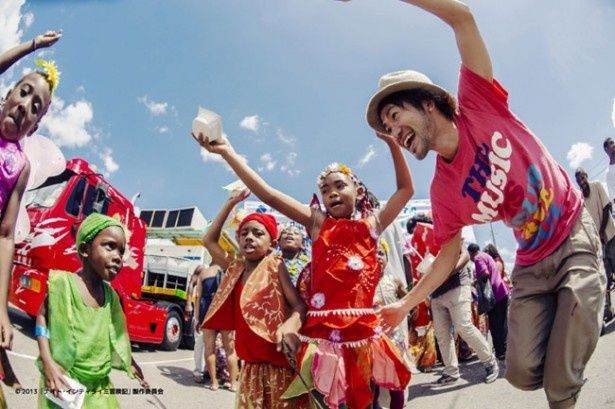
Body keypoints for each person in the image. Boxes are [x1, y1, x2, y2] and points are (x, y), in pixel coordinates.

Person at [365, 1, 605, 407]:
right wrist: (406, 303)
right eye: (387, 130)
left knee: (560, 382)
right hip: (531, 261)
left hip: (570, 230)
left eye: (394, 116)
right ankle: (570, 345)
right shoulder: (443, 191)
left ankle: (574, 347)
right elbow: (448, 252)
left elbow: (462, 17)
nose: (394, 132)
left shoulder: (478, 101)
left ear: (426, 102)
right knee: (521, 370)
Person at [193, 123, 414, 408]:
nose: (332, 193)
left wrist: (394, 145)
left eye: (339, 186)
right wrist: (228, 153)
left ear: (358, 191)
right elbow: (269, 194)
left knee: (365, 402)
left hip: (362, 337)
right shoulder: (317, 224)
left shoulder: (373, 225)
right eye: (325, 189)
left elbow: (406, 189)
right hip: (322, 341)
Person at [201, 189, 308, 408]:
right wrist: (230, 203)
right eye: (244, 233)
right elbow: (209, 240)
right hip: (249, 369)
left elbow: (299, 305)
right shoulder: (234, 268)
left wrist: (290, 324)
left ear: (272, 244)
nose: (249, 237)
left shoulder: (275, 266)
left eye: (258, 233)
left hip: (280, 367)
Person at [35, 213, 143, 408]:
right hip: (65, 384)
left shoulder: (111, 296)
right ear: (85, 249)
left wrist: (131, 362)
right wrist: (48, 361)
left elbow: (117, 336)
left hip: (99, 390)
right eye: (109, 246)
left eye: (121, 251)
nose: (118, 257)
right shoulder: (63, 285)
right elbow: (42, 316)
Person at [0, 30, 62, 351]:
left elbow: (6, 235)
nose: (25, 105)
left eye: (35, 106)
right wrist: (34, 45)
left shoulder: (20, 166)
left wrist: (1, 310)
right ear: (8, 94)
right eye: (23, 93)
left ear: (34, 126)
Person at [575, 168, 615, 323]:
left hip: (610, 235)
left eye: (582, 178)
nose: (581, 182)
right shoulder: (581, 200)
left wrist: (601, 231)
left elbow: (607, 208)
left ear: (587, 176)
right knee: (604, 278)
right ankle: (608, 309)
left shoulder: (597, 185)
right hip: (598, 244)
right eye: (578, 180)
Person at [373, 239, 407, 409]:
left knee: (396, 380)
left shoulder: (394, 280)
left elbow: (406, 299)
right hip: (372, 341)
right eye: (373, 253)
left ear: (387, 258)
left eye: (381, 253)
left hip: (394, 338)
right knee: (373, 382)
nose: (377, 256)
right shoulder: (362, 284)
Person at [194, 263, 239, 391]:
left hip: (208, 312)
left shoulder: (204, 273)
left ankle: (214, 382)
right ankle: (233, 383)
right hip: (226, 311)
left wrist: (197, 319)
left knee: (209, 348)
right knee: (230, 349)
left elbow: (198, 297)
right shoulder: (232, 270)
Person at [468, 243, 510, 360]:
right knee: (502, 323)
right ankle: (504, 349)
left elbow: (485, 273)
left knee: (495, 324)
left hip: (494, 295)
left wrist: (475, 282)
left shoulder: (478, 258)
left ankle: (500, 351)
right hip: (502, 292)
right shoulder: (487, 256)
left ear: (471, 253)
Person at [185, 265, 206, 383]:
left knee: (213, 344)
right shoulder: (202, 268)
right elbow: (191, 283)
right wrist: (188, 303)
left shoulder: (222, 266)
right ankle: (198, 370)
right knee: (199, 342)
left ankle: (209, 369)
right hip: (200, 311)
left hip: (216, 313)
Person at [603, 138, 615, 206]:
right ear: (606, 149)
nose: (614, 145)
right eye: (611, 143)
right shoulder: (608, 174)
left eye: (614, 142)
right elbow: (613, 197)